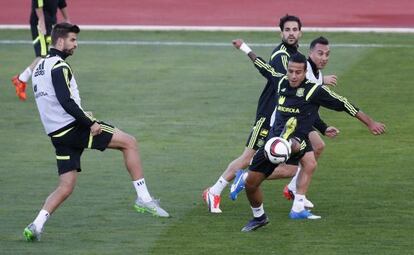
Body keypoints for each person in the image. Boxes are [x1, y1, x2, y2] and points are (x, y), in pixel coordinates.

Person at [23, 23, 170, 242]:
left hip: (56, 134)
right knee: (129, 142)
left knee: (66, 186)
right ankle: (144, 199)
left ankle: (36, 225)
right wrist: (88, 121)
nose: (76, 45)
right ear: (60, 41)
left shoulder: (39, 68)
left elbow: (51, 102)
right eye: (73, 40)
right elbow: (65, 101)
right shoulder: (59, 66)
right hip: (74, 128)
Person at [233, 42, 385, 232]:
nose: (294, 76)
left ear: (305, 72)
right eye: (291, 71)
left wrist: (370, 123)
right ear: (287, 70)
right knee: (251, 185)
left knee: (308, 159)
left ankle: (297, 206)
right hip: (274, 141)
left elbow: (345, 104)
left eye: (298, 72)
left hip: (298, 140)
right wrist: (245, 48)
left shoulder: (314, 90)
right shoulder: (280, 81)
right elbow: (262, 65)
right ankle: (259, 217)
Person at [203, 14, 304, 213]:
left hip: (281, 115)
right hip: (268, 115)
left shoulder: (293, 53)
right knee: (248, 157)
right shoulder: (281, 55)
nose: (291, 33)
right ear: (281, 32)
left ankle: (246, 180)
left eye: (294, 30)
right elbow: (273, 76)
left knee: (292, 167)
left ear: (300, 32)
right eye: (287, 30)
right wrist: (245, 49)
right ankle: (214, 191)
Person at [231, 36, 340, 205]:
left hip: (299, 120)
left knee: (317, 148)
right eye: (320, 54)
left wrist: (324, 128)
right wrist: (245, 48)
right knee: (290, 167)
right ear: (310, 53)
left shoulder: (316, 75)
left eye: (327, 54)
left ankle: (294, 191)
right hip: (288, 123)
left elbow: (309, 109)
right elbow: (267, 70)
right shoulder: (306, 74)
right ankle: (247, 178)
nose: (324, 58)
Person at [12, 0, 70, 101]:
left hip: (51, 23)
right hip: (39, 23)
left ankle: (22, 79)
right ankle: (21, 79)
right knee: (43, 55)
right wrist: (41, 22)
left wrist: (67, 19)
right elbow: (37, 3)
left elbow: (61, 3)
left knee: (51, 53)